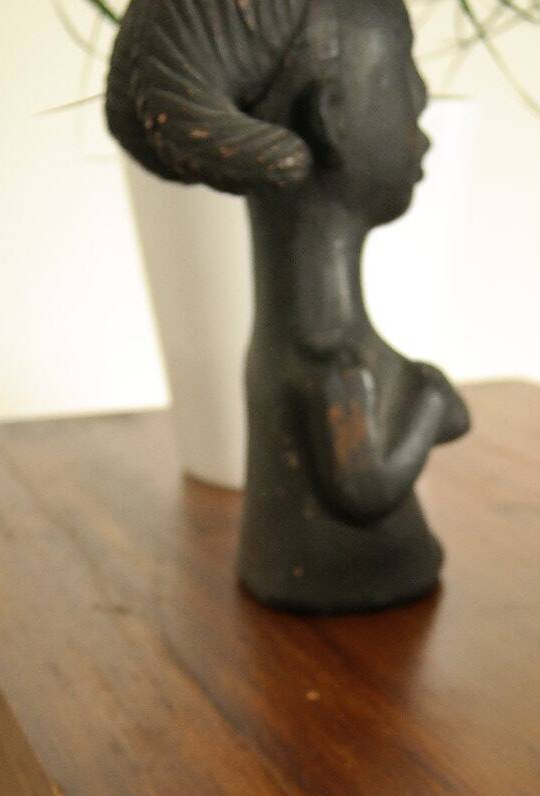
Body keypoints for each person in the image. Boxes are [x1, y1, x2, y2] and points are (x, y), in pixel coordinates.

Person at [107, 0, 471, 612]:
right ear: (330, 118)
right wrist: (428, 404)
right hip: (354, 592)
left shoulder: (312, 344)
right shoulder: (329, 358)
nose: (424, 111)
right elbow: (361, 489)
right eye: (404, 82)